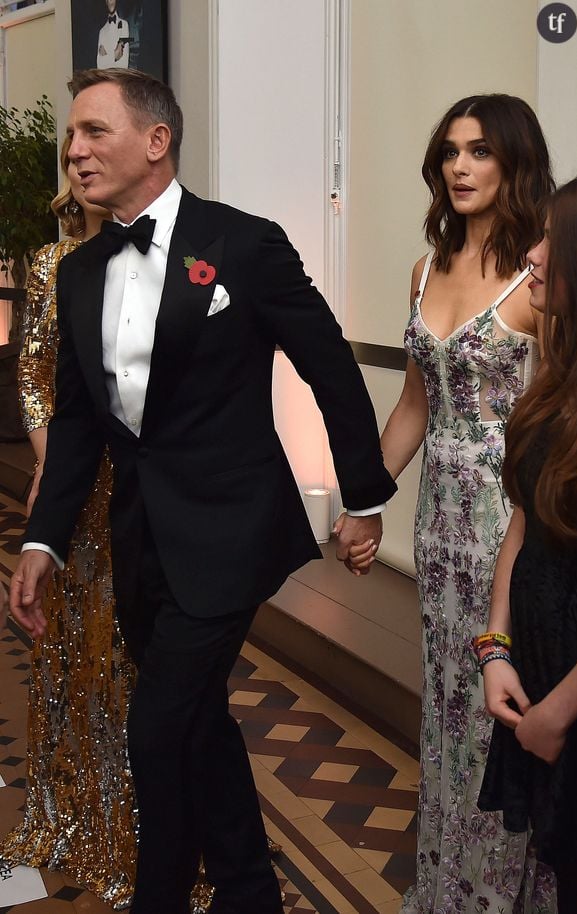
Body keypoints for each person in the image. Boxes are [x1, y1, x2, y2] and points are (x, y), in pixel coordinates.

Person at [10, 68, 395, 914]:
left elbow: (329, 365)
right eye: (70, 136)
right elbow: (76, 425)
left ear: (157, 141)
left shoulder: (243, 244)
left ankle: (162, 899)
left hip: (232, 531)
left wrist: (363, 497)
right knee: (198, 720)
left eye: (93, 132)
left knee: (155, 729)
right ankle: (250, 890)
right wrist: (41, 541)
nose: (74, 151)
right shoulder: (79, 274)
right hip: (142, 538)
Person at [347, 95, 557, 912]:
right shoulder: (426, 266)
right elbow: (414, 407)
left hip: (518, 524)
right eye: (449, 153)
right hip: (438, 528)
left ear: (515, 162)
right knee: (446, 712)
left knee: (500, 709)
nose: (459, 167)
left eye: (479, 152)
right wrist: (366, 502)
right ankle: (448, 890)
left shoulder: (542, 274)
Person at [0, 138, 214, 913]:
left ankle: (152, 836)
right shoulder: (54, 263)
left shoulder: (190, 250)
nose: (82, 166)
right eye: (75, 153)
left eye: (99, 143)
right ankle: (84, 818)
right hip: (77, 500)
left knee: (140, 665)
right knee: (73, 661)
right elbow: (36, 380)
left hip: (152, 493)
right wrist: (61, 479)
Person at [479, 176, 577, 914]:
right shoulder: (555, 383)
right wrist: (497, 649)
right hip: (538, 672)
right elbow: (522, 526)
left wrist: (559, 712)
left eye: (553, 242)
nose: (534, 256)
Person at [97, 0, 129, 70]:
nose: (110, 2)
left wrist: (105, 57)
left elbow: (124, 63)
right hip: (106, 78)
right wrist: (115, 55)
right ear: (106, 2)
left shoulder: (124, 25)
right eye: (108, 0)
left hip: (120, 78)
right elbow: (99, 65)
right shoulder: (101, 31)